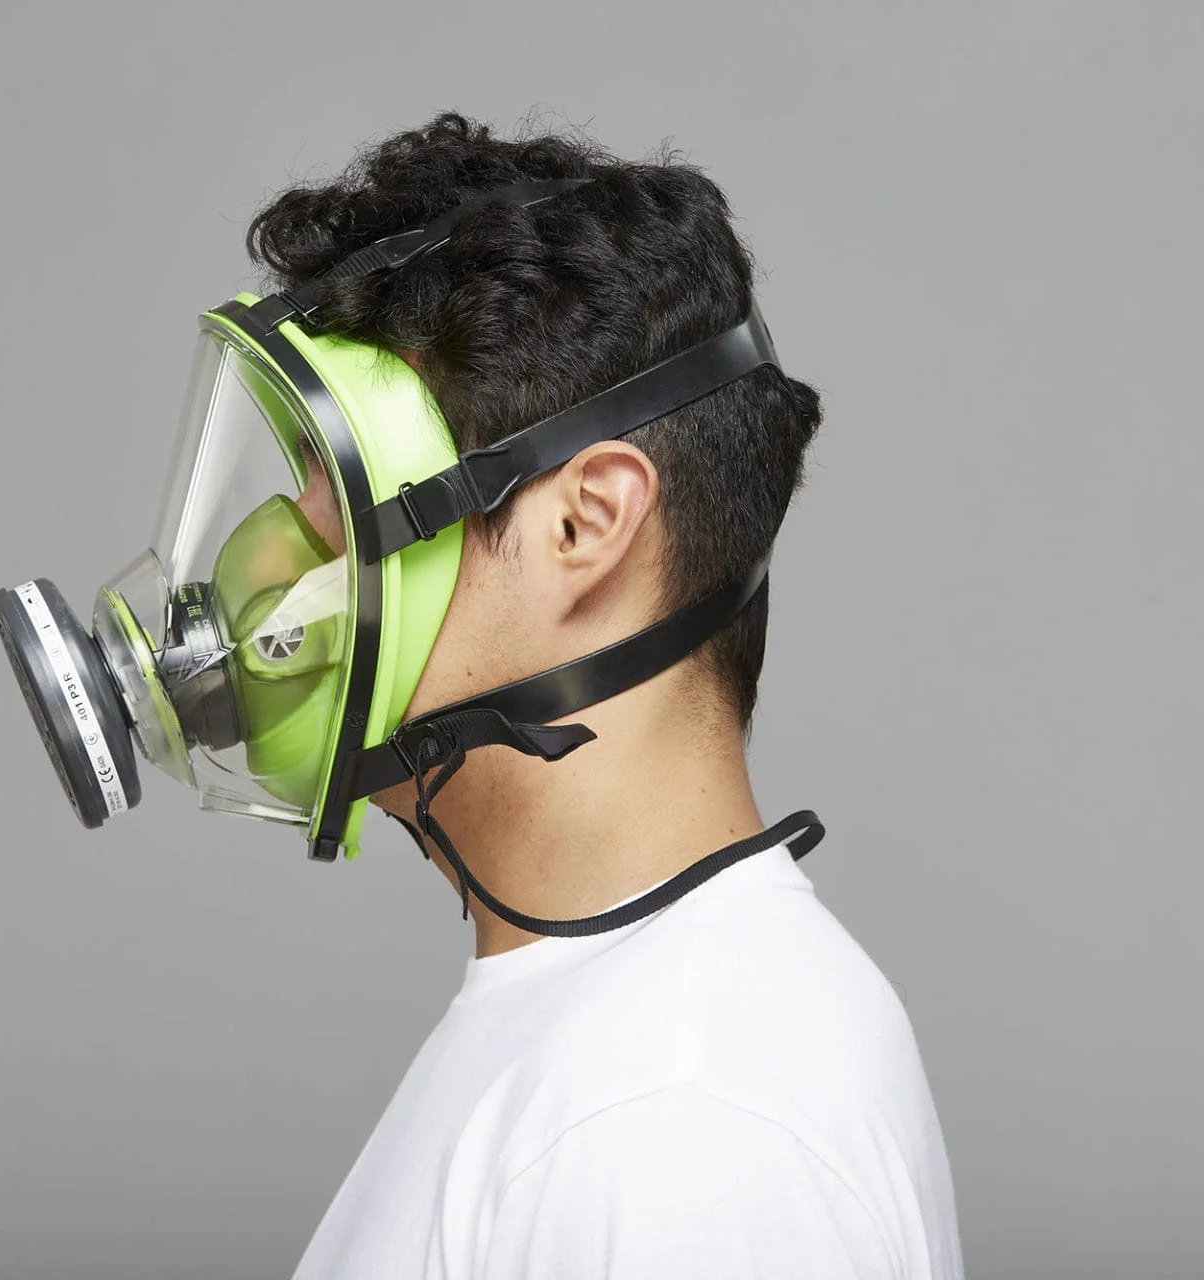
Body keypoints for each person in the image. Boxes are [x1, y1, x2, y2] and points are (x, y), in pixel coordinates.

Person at [243, 113, 965, 1279]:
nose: (291, 542)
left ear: (584, 523)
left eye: (342, 478)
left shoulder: (675, 1122)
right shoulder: (626, 1047)